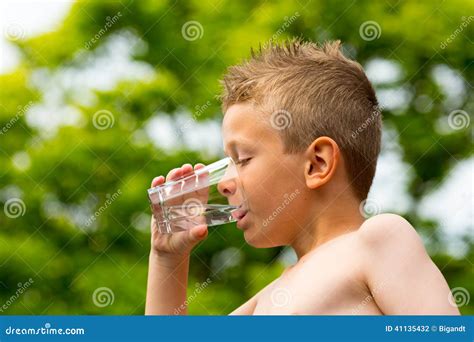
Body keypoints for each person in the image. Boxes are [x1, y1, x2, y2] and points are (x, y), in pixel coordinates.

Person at [145, 39, 460, 315]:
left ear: (317, 164)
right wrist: (168, 259)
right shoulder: (262, 303)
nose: (225, 183)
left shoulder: (376, 241)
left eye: (242, 159)